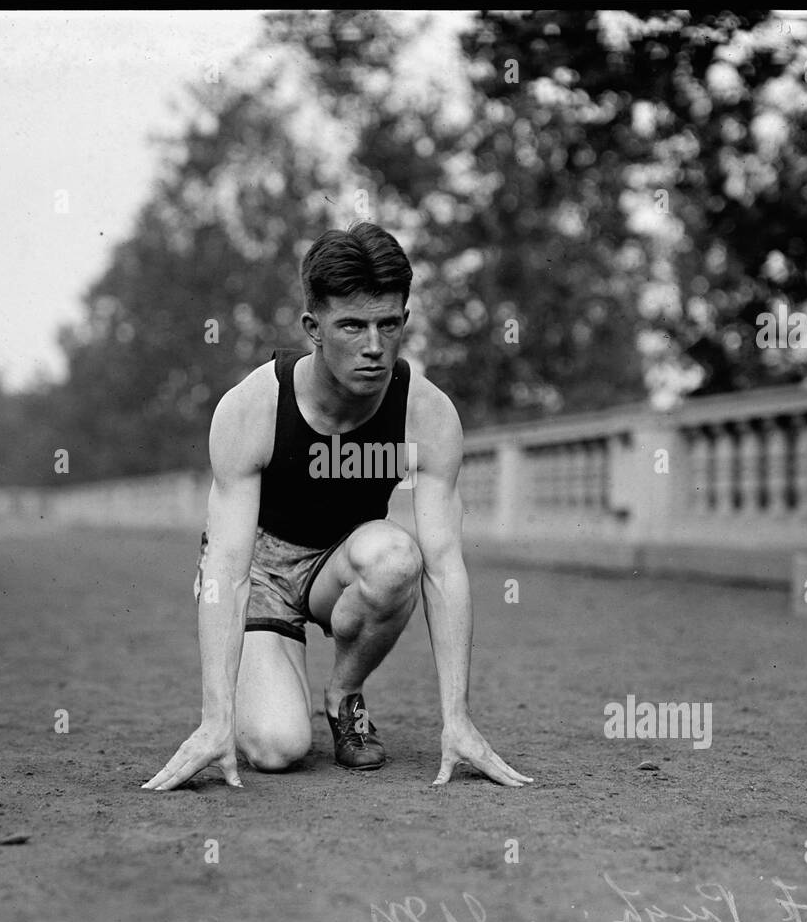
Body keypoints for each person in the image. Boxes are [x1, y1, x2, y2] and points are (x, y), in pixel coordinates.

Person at [144, 222, 532, 791]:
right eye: (352, 325)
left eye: (388, 324)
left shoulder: (425, 413)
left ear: (404, 321)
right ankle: (260, 690)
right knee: (277, 748)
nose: (374, 347)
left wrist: (458, 720)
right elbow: (226, 568)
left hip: (339, 564)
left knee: (399, 556)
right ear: (313, 328)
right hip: (260, 566)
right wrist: (214, 718)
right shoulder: (253, 406)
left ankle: (343, 693)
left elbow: (445, 566)